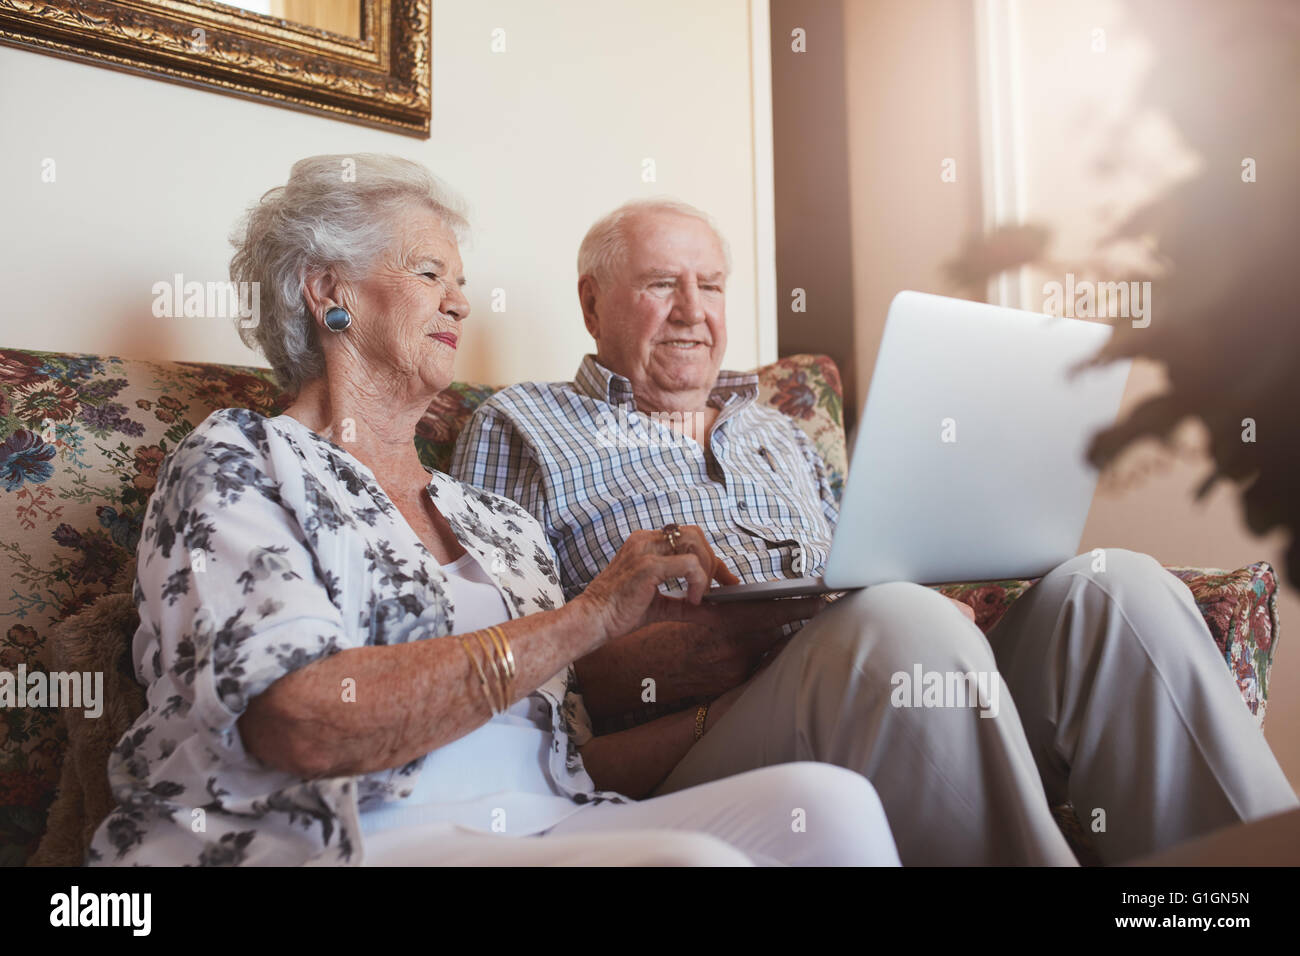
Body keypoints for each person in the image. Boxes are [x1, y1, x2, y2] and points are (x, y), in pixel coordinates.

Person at [86, 157, 900, 867]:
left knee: (833, 809)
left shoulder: (492, 521)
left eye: (462, 284)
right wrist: (590, 617)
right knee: (686, 862)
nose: (460, 304)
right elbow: (302, 724)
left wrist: (749, 701)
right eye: (430, 273)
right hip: (338, 835)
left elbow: (571, 762)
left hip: (542, 824)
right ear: (328, 289)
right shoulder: (240, 460)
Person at [450, 197, 1299, 866]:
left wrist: (923, 588)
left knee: (1113, 588)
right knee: (897, 624)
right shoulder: (521, 426)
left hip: (890, 676)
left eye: (710, 285)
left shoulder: (777, 428)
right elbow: (501, 669)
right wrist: (635, 658)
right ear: (592, 302)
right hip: (700, 731)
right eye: (660, 284)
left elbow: (864, 565)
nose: (691, 311)